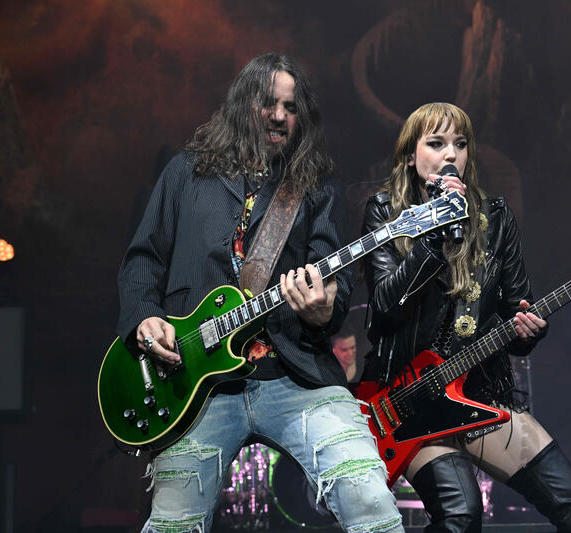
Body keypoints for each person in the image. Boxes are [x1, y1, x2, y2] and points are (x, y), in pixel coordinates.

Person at [116, 53, 404, 533]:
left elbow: (337, 287)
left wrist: (322, 310)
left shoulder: (314, 186)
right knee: (172, 526)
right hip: (194, 384)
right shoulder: (186, 173)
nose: (278, 116)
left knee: (369, 498)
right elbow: (142, 260)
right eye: (268, 103)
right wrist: (145, 317)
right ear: (242, 105)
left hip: (294, 376)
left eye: (290, 108)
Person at [361, 102, 571, 532]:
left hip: (480, 391)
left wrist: (529, 331)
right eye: (436, 143)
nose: (450, 154)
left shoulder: (496, 218)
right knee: (460, 516)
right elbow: (385, 306)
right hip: (408, 398)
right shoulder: (385, 213)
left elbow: (517, 312)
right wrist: (433, 237)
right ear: (410, 155)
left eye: (460, 144)